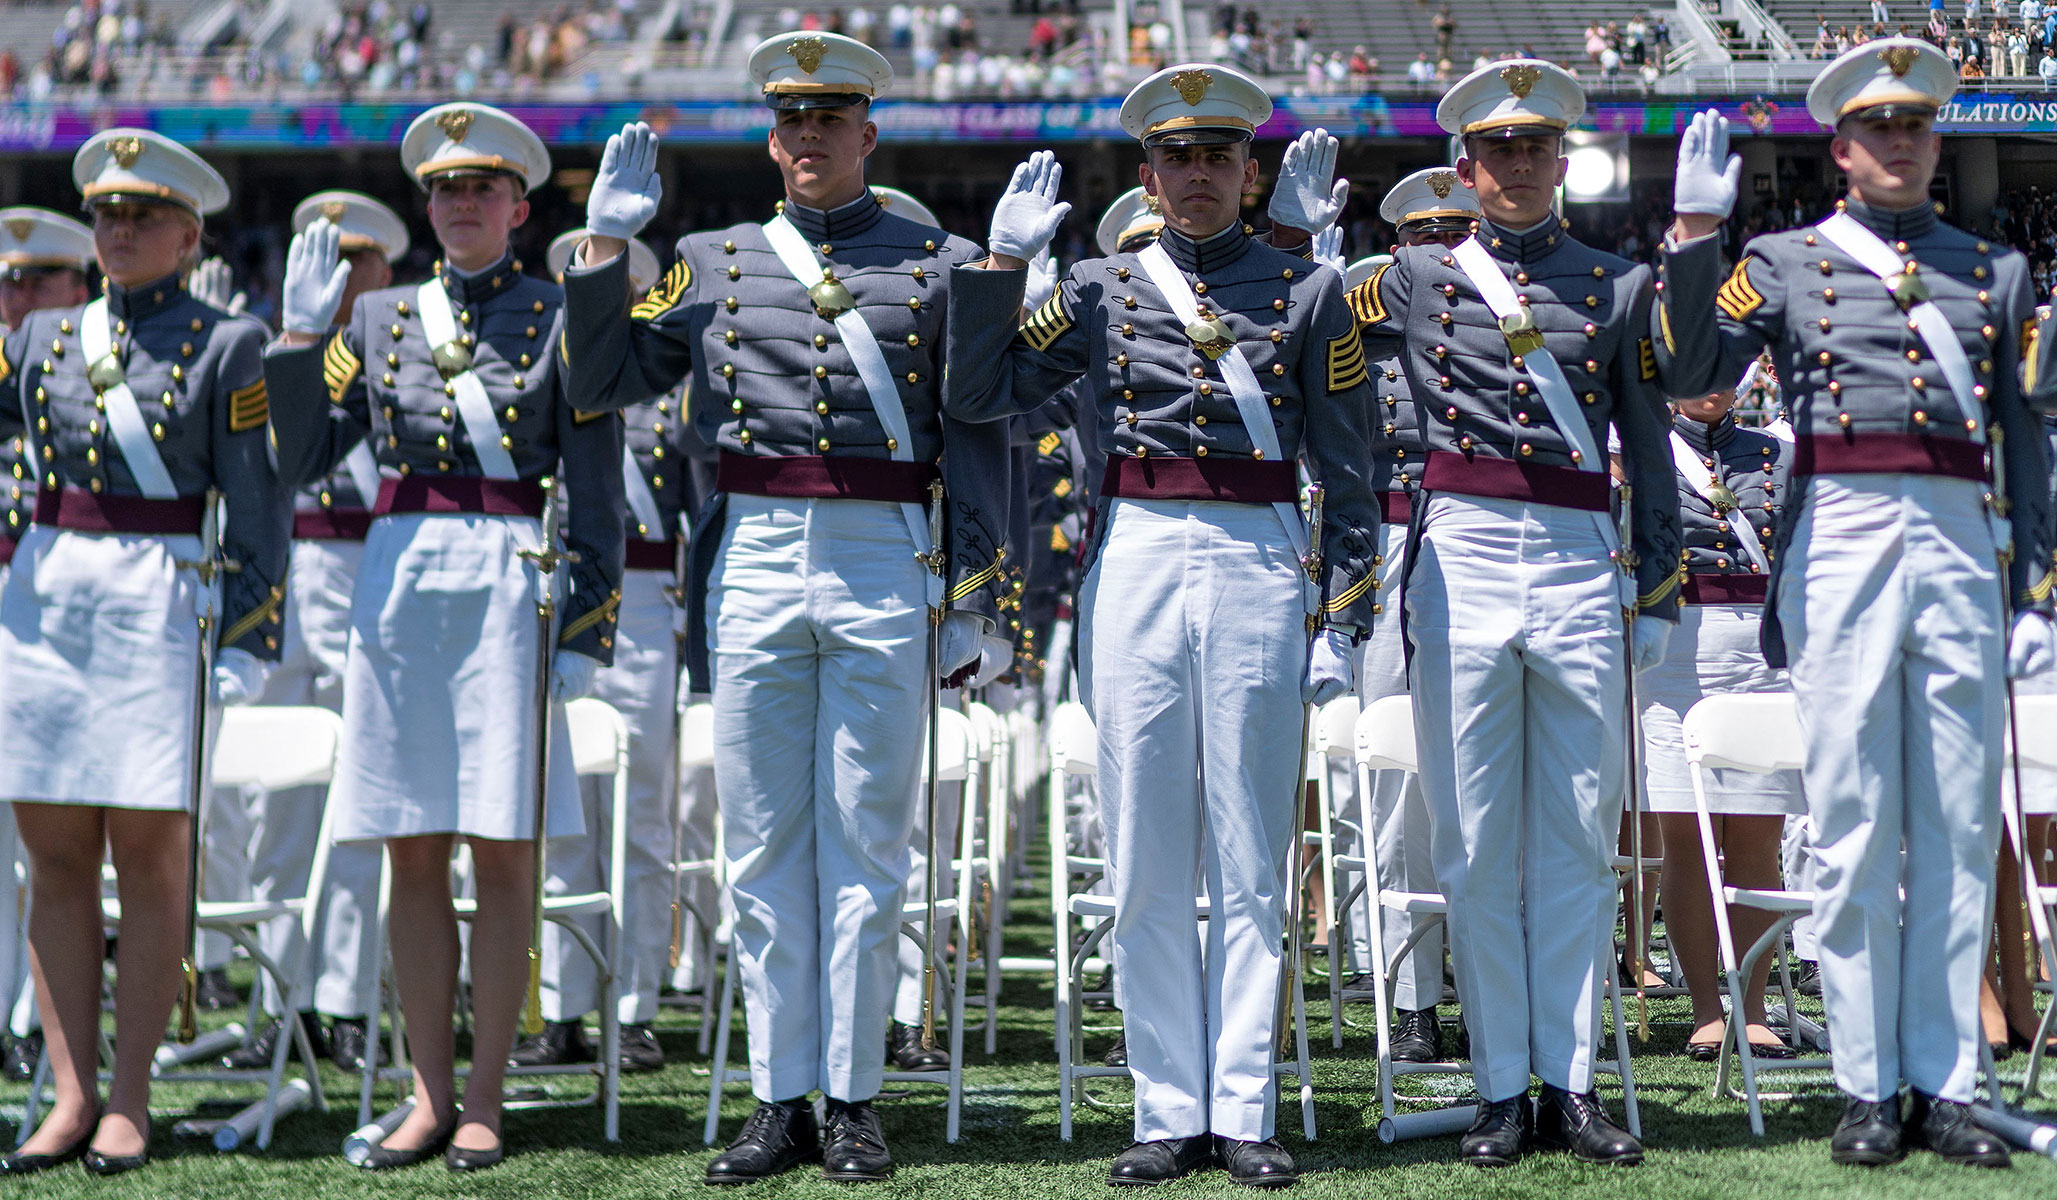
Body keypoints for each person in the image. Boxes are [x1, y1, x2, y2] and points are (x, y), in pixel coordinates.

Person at [564, 31, 1014, 1183]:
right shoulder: (710, 259)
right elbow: (601, 383)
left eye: (831, 121)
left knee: (869, 837)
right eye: (792, 122)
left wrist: (970, 591)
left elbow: (973, 436)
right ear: (770, 139)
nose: (809, 138)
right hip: (756, 549)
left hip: (884, 548)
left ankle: (854, 1096)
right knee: (761, 842)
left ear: (867, 134)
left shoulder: (940, 259)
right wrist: (603, 251)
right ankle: (778, 1096)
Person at [946, 72, 1381, 1187]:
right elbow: (981, 391)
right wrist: (999, 269)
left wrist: (1342, 616)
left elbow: (1350, 465)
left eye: (1216, 157)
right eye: (1175, 158)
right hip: (1133, 544)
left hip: (1256, 552)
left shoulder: (1309, 287)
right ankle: (1162, 1106)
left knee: (1249, 848)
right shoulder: (1092, 288)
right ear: (1146, 176)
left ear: (1246, 172)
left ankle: (1241, 1107)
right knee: (1141, 850)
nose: (1195, 176)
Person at [1313, 60, 1732, 1166]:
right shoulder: (1407, 279)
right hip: (1457, 553)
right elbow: (1316, 358)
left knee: (1580, 835)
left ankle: (1571, 1079)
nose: (1514, 163)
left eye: (1534, 146)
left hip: (1574, 553)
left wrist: (1654, 584)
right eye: (1496, 148)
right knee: (1476, 834)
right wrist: (1314, 251)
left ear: (1562, 160)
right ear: (1465, 164)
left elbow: (1658, 423)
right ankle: (1502, 1086)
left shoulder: (1616, 280)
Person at [1663, 37, 2057, 1169]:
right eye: (1876, 129)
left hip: (1952, 533)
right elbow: (1690, 362)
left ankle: (1946, 1081)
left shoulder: (1993, 271)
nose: (1897, 143)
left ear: (1934, 142)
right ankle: (1864, 1085)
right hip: (1834, 526)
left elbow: (2022, 446)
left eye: (1914, 127)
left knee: (1947, 818)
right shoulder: (1783, 260)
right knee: (1846, 819)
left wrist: (2032, 591)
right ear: (1838, 149)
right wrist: (1694, 237)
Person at [266, 102, 627, 1172]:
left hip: (509, 582)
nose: (459, 203)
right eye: (443, 188)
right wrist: (296, 342)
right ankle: (426, 1094)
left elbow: (596, 489)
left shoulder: (560, 316)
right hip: (400, 580)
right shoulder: (375, 324)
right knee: (410, 846)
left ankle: (484, 1098)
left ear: (519, 206)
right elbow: (295, 454)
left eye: (481, 188)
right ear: (425, 205)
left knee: (501, 852)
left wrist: (587, 627)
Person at [0, 129, 291, 1176]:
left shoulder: (229, 344)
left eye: (143, 216)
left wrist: (253, 636)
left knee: (150, 856)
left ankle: (130, 1097)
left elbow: (257, 504)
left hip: (157, 597)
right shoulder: (37, 338)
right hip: (45, 597)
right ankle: (71, 1095)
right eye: (107, 215)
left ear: (189, 233)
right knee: (55, 857)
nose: (119, 230)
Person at [220, 191, 408, 1076]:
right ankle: (277, 995)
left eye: (355, 259)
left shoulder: (398, 351)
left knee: (361, 808)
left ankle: (347, 998)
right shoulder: (271, 351)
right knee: (277, 806)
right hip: (283, 586)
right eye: (320, 253)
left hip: (367, 579)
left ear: (383, 271)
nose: (336, 276)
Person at [512, 230, 679, 1076]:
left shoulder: (674, 387)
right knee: (559, 813)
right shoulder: (551, 376)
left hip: (649, 603)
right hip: (558, 594)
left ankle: (636, 1003)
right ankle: (562, 1007)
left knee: (641, 816)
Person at [1344, 167, 1481, 1066]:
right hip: (1391, 546)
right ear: (1397, 250)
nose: (1439, 251)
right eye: (1423, 237)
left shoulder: (1503, 326)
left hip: (1477, 541)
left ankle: (1485, 985)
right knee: (1396, 781)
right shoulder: (1362, 328)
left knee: (1482, 774)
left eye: (1454, 234)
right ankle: (1408, 995)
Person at [1637, 380, 1801, 1062]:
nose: (1711, 387)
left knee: (1759, 837)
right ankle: (1705, 1006)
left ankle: (1754, 1006)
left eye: (1723, 371)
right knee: (1686, 837)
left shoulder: (1777, 454)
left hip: (1763, 647)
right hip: (1674, 647)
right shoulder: (1643, 453)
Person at [0, 206, 94, 1087]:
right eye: (10, 280)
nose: (20, 296)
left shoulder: (90, 382)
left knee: (50, 835)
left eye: (40, 280)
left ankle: (40, 1022)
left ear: (80, 289)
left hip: (59, 620)